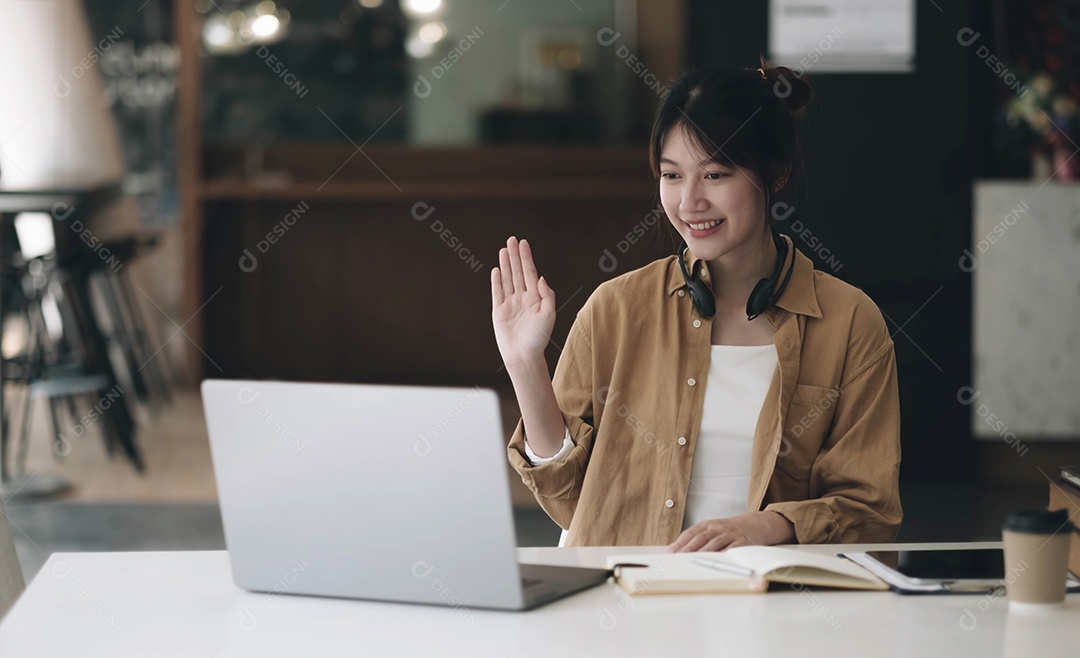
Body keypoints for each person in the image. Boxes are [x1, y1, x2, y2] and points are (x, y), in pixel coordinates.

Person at [490, 61, 902, 551]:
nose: (689, 201)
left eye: (715, 174)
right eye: (671, 175)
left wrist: (771, 525)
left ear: (775, 173)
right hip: (624, 600)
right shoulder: (616, 310)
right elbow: (572, 500)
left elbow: (870, 511)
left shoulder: (851, 323)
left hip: (769, 606)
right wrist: (525, 365)